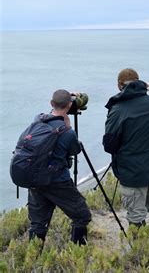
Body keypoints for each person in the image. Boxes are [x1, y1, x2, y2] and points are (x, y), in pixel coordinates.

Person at [103, 68, 149, 260]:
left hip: (132, 173)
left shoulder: (118, 110)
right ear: (139, 82)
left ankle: (141, 255)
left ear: (119, 85)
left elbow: (109, 145)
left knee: (136, 216)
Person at [28, 89, 92, 245]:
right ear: (70, 106)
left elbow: (53, 114)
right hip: (57, 181)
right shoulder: (67, 132)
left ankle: (33, 260)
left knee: (38, 224)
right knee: (82, 216)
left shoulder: (38, 119)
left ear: (51, 104)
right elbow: (75, 150)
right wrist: (69, 127)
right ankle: (77, 252)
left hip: (35, 178)